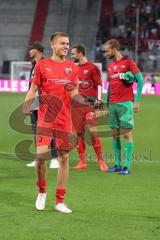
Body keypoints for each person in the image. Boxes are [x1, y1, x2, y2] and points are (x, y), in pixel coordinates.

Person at [23, 32, 93, 213]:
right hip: (45, 119)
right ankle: (41, 191)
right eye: (62, 43)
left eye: (67, 43)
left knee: (64, 158)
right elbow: (33, 89)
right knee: (40, 158)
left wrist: (89, 102)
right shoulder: (42, 66)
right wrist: (26, 105)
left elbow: (74, 93)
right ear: (53, 45)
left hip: (64, 120)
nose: (66, 46)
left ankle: (60, 200)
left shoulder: (72, 68)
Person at [103, 39, 144, 174]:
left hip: (125, 104)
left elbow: (140, 80)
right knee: (115, 135)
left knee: (126, 134)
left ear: (114, 49)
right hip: (113, 105)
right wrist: (107, 104)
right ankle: (117, 164)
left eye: (107, 50)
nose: (105, 53)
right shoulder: (110, 66)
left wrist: (137, 101)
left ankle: (127, 166)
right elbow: (110, 86)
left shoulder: (128, 62)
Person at [71, 44, 108, 172]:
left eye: (73, 54)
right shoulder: (73, 68)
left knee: (92, 131)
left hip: (90, 105)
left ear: (80, 53)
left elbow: (99, 85)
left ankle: (101, 161)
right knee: (78, 134)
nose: (72, 56)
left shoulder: (93, 68)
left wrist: (98, 100)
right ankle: (82, 162)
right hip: (76, 106)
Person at [26, 42, 59, 169]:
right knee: (36, 132)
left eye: (31, 49)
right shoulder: (33, 65)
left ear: (38, 51)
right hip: (34, 104)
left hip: (45, 104)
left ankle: (55, 158)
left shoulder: (46, 65)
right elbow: (31, 87)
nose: (29, 51)